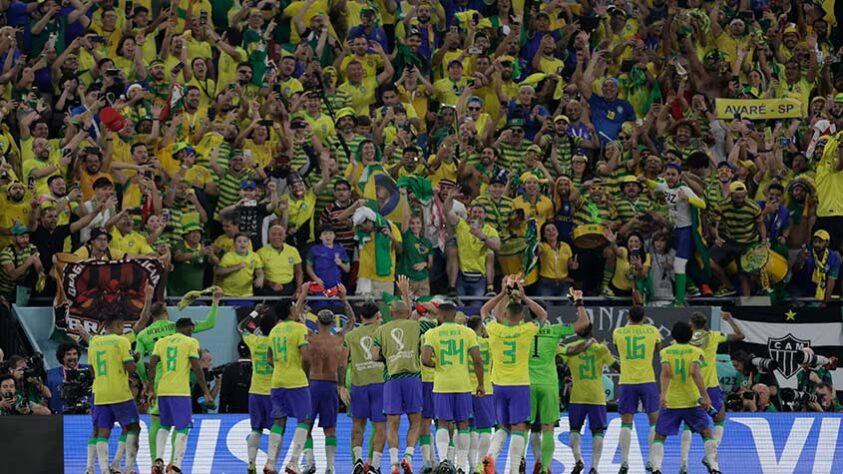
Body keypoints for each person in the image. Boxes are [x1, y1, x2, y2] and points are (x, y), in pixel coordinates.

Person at [135, 287, 222, 463]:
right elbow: (209, 323)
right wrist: (215, 301)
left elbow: (137, 360)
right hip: (179, 381)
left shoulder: (144, 334)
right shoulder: (177, 328)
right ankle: (175, 463)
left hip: (159, 382)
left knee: (157, 423)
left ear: (152, 315)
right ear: (166, 311)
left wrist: (146, 382)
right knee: (180, 425)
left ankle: (155, 461)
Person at [477, 276, 552, 474]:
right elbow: (543, 315)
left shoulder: (494, 328)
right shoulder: (526, 330)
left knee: (503, 426)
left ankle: (491, 456)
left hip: (498, 385)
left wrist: (502, 292)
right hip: (519, 385)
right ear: (521, 317)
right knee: (519, 427)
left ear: (505, 315)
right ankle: (512, 470)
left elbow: (484, 311)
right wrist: (525, 297)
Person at [527, 289, 590, 474]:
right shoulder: (554, 331)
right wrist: (579, 302)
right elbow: (583, 323)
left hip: (527, 384)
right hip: (548, 385)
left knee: (524, 428)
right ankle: (546, 467)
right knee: (547, 428)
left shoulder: (522, 330)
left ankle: (522, 463)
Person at [649, 322, 721, 474]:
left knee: (660, 435)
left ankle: (656, 469)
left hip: (672, 401)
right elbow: (695, 372)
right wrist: (705, 395)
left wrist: (663, 394)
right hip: (692, 401)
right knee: (706, 432)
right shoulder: (696, 351)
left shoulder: (666, 352)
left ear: (673, 335)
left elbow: (666, 374)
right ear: (690, 336)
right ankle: (715, 468)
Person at [420, 302, 484, 473]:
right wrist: (481, 384)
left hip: (442, 384)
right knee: (463, 424)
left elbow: (425, 359)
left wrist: (438, 365)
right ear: (455, 315)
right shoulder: (468, 332)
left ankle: (443, 461)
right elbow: (477, 361)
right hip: (463, 384)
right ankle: (461, 466)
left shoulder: (432, 333)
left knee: (442, 423)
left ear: (440, 316)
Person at [146, 317, 215, 474]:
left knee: (164, 425)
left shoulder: (161, 342)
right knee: (183, 428)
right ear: (189, 329)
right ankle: (175, 466)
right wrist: (206, 391)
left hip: (163, 390)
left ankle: (158, 460)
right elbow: (197, 369)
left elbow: (152, 364)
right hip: (180, 392)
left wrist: (150, 388)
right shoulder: (191, 342)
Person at [679, 311, 745, 473]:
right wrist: (729, 318)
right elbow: (740, 335)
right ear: (705, 323)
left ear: (691, 323)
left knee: (688, 423)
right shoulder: (714, 336)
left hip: (691, 385)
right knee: (719, 418)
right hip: (710, 385)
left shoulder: (685, 338)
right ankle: (710, 455)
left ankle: (684, 464)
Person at [371, 277, 422, 474]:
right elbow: (416, 315)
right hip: (413, 379)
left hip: (392, 380)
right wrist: (406, 294)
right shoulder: (416, 326)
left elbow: (374, 356)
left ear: (391, 314)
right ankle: (408, 457)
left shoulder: (381, 330)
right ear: (406, 313)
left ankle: (393, 464)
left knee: (392, 424)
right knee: (415, 421)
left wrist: (390, 356)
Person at [300, 294, 353, 474]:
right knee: (330, 430)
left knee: (305, 425)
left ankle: (309, 463)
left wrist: (302, 296)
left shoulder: (310, 338)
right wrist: (344, 299)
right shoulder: (338, 339)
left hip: (312, 385)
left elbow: (298, 317)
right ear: (331, 323)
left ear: (317, 322)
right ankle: (330, 466)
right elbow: (351, 321)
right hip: (330, 385)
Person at [613, 305, 664, 473]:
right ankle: (651, 461)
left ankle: (624, 462)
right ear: (644, 317)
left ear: (628, 316)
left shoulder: (618, 332)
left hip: (627, 381)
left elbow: (618, 348)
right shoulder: (652, 331)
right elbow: (659, 350)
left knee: (626, 422)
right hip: (647, 380)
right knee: (654, 421)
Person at [264, 297, 312, 474]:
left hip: (277, 381)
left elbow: (269, 357)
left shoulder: (274, 331)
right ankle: (293, 462)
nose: (295, 308)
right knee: (305, 419)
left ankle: (270, 463)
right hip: (296, 381)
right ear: (290, 310)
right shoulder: (300, 328)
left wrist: (280, 368)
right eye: (293, 306)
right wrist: (305, 374)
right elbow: (306, 357)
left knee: (279, 420)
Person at [89, 312, 141, 474]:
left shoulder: (94, 342)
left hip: (100, 393)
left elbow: (92, 371)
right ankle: (127, 467)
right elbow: (130, 368)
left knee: (102, 431)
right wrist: (136, 358)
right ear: (119, 326)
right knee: (133, 427)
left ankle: (104, 469)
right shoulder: (122, 341)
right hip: (120, 393)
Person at [563, 323, 616, 474]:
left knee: (574, 429)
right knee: (597, 431)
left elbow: (560, 364)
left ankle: (578, 460)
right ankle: (594, 467)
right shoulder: (600, 348)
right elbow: (616, 366)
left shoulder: (570, 348)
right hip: (596, 397)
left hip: (577, 396)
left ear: (578, 332)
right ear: (592, 332)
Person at [344, 301, 387, 474]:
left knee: (357, 424)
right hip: (380, 384)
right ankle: (374, 465)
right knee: (380, 427)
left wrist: (340, 385)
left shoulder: (351, 336)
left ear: (361, 317)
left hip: (359, 384)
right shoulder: (383, 330)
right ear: (377, 316)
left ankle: (358, 461)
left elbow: (342, 362)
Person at [239, 304, 278, 474]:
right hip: (273, 393)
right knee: (277, 429)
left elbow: (240, 327)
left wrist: (255, 312)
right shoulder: (276, 342)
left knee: (256, 429)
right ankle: (271, 464)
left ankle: (251, 463)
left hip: (254, 392)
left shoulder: (254, 341)